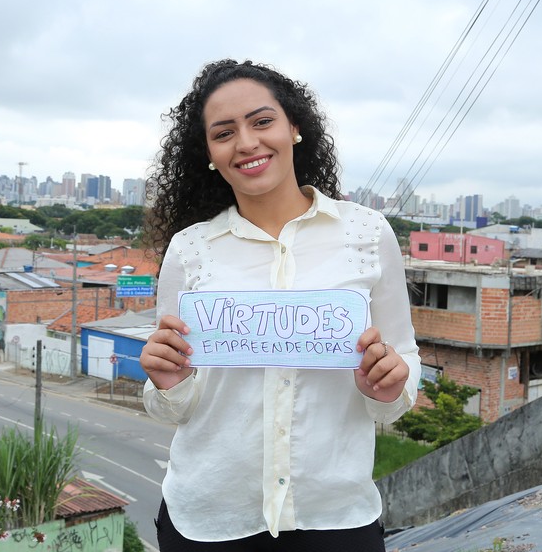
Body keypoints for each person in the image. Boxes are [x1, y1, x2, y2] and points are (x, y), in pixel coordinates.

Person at [140, 59, 421, 551]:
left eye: (262, 121)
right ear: (208, 152)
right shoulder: (190, 250)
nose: (246, 142)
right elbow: (176, 406)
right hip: (208, 521)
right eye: (224, 132)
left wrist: (387, 387)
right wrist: (169, 383)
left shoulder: (367, 234)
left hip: (335, 518)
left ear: (294, 127)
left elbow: (403, 361)